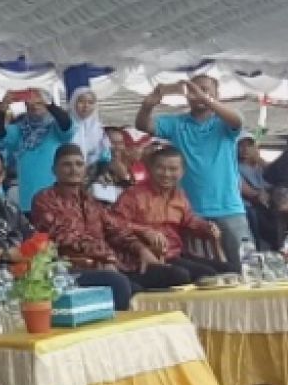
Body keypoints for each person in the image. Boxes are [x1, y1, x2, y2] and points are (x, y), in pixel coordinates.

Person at [0, 148, 131, 309]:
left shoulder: (8, 207)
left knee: (127, 284)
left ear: (2, 176)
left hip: (34, 273)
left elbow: (38, 240)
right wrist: (7, 254)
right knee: (117, 284)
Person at [32, 145, 209, 289]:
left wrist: (141, 249)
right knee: (125, 286)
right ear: (54, 169)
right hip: (73, 267)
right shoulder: (45, 199)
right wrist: (107, 258)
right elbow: (66, 237)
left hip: (116, 264)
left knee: (176, 275)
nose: (73, 169)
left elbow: (115, 227)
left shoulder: (90, 200)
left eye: (79, 164)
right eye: (67, 165)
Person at [136, 76, 249, 267]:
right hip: (191, 213)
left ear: (217, 94)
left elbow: (237, 120)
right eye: (194, 91)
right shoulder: (177, 123)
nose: (198, 94)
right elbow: (143, 126)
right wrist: (147, 106)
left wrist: (205, 98)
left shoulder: (223, 123)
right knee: (205, 274)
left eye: (205, 90)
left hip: (230, 209)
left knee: (244, 267)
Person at [113, 146, 225, 279]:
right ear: (150, 169)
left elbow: (189, 220)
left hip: (174, 253)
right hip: (142, 257)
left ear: (182, 172)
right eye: (160, 168)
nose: (166, 174)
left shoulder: (179, 196)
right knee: (186, 275)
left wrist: (207, 227)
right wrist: (145, 231)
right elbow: (115, 224)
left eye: (173, 169)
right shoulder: (133, 195)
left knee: (227, 270)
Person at [0, 88, 75, 213]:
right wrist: (3, 107)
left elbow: (66, 124)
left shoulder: (55, 128)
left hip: (55, 198)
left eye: (39, 104)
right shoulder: (20, 130)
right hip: (28, 199)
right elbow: (0, 133)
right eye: (30, 104)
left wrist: (49, 104)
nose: (34, 107)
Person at [238, 133, 282, 250]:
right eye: (241, 146)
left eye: (249, 145)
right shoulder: (236, 167)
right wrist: (260, 195)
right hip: (252, 205)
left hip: (271, 203)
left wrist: (259, 160)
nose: (245, 149)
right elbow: (246, 190)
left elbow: (278, 175)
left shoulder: (261, 165)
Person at [69, 88, 112, 175]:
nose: (86, 106)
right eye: (81, 101)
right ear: (73, 103)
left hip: (92, 173)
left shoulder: (97, 128)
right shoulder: (66, 126)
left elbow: (104, 154)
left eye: (90, 102)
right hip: (68, 172)